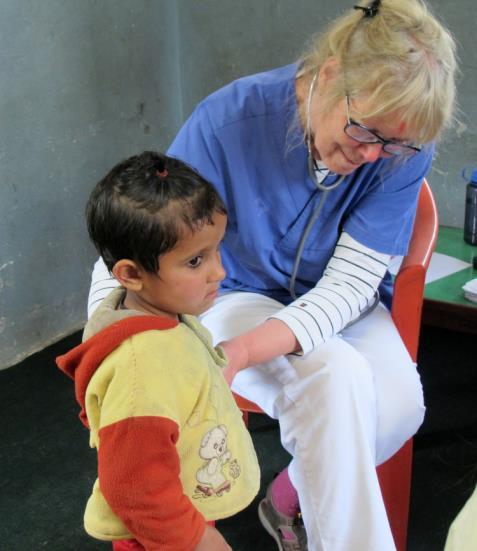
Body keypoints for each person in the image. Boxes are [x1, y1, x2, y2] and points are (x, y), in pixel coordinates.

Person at [87, 1, 457, 549]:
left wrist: (243, 353)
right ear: (329, 74)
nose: (375, 154)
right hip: (235, 290)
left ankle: (285, 502)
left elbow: (353, 282)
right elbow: (145, 235)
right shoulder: (228, 121)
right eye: (363, 131)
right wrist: (106, 342)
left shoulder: (403, 149)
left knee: (401, 406)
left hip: (340, 296)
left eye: (396, 144)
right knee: (334, 378)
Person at [57, 151, 260, 551]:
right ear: (131, 274)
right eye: (196, 260)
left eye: (216, 250)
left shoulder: (162, 313)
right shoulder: (141, 368)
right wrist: (197, 539)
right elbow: (135, 488)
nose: (218, 272)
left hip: (183, 502)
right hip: (161, 536)